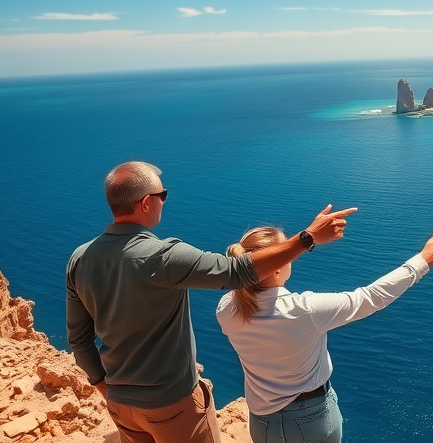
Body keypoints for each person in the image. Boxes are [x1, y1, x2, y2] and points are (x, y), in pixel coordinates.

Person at [66, 160, 357, 443]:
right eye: (162, 195)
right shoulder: (163, 256)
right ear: (145, 203)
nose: (164, 201)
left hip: (120, 403)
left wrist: (102, 385)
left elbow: (79, 341)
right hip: (170, 404)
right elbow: (237, 272)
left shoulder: (79, 259)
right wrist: (307, 239)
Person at [216, 226, 433, 443]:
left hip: (262, 422)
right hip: (311, 419)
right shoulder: (304, 310)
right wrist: (423, 260)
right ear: (277, 270)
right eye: (287, 253)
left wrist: (308, 237)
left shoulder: (226, 309)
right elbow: (371, 297)